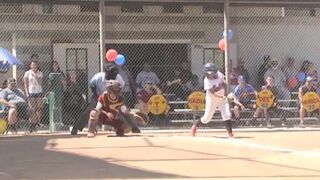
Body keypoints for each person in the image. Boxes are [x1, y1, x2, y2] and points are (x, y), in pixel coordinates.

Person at [71, 63, 125, 135]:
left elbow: (121, 87)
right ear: (106, 73)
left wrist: (116, 97)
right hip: (99, 96)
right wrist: (96, 95)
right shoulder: (98, 77)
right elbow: (92, 84)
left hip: (112, 97)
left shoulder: (118, 77)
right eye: (110, 75)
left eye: (113, 76)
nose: (112, 77)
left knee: (121, 110)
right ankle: (76, 128)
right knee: (91, 110)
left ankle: (128, 127)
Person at [190, 63, 234, 138]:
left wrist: (225, 95)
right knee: (206, 118)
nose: (210, 74)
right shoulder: (207, 81)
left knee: (227, 115)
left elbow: (225, 84)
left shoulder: (219, 75)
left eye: (212, 72)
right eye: (208, 73)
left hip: (222, 99)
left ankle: (230, 134)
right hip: (212, 99)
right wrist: (221, 96)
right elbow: (212, 93)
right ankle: (195, 124)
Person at [23, 56, 43, 132]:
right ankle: (32, 124)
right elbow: (25, 84)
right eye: (33, 65)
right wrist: (27, 93)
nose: (34, 66)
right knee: (32, 109)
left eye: (35, 65)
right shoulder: (27, 73)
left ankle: (37, 122)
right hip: (31, 92)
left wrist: (36, 76)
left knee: (39, 108)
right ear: (30, 66)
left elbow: (40, 83)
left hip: (38, 92)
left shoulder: (40, 73)